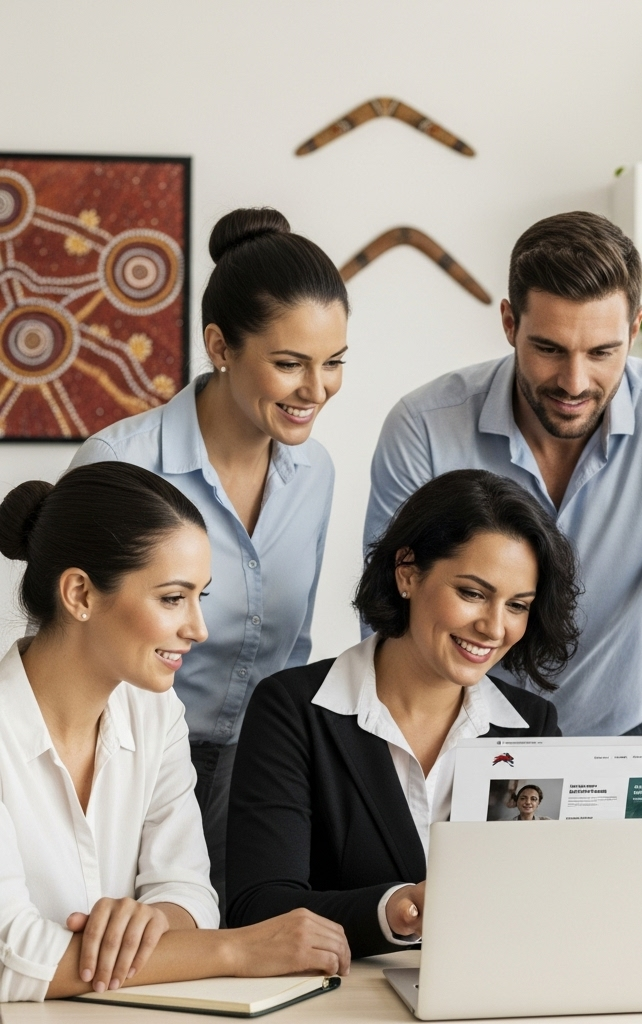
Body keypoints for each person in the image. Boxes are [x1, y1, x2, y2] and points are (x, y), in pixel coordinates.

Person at [363, 211, 642, 736]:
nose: (574, 382)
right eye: (549, 349)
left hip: (615, 742)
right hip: (452, 745)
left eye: (603, 352)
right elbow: (390, 621)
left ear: (634, 330)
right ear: (509, 324)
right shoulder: (424, 426)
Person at [69, 207, 349, 911]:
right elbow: (71, 646)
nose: (316, 390)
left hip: (264, 770)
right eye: (289, 363)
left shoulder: (314, 472)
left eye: (335, 362)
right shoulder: (121, 465)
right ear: (220, 346)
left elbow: (295, 646)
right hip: (134, 764)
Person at [0, 464, 351, 1002]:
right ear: (80, 594)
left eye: (200, 597)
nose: (198, 629)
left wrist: (148, 920)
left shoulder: (156, 711)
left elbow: (188, 892)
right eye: (171, 598)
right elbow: (12, 956)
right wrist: (239, 950)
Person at [227, 470, 579, 957]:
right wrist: (391, 909)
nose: (494, 627)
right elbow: (259, 907)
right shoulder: (293, 710)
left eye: (517, 605)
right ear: (408, 572)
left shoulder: (534, 726)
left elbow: (545, 902)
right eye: (473, 593)